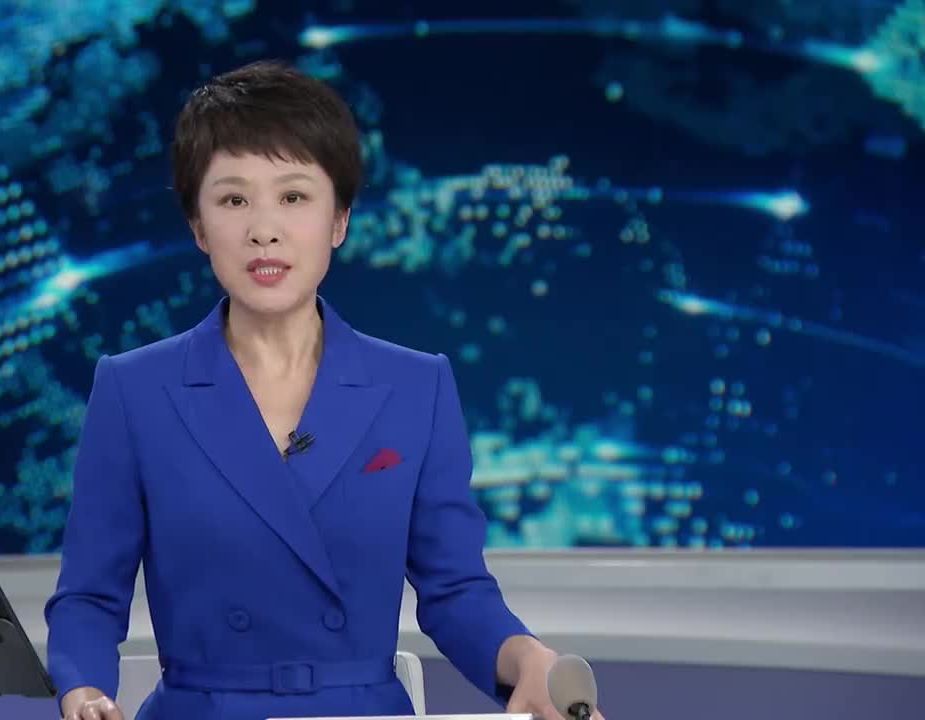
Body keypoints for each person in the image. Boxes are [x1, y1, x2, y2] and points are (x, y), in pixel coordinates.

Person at [45, 59, 605, 720]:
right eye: (233, 200)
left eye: (293, 197)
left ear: (338, 220)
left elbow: (456, 591)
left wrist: (529, 659)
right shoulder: (134, 390)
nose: (263, 229)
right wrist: (84, 692)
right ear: (198, 227)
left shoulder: (415, 387)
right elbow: (89, 596)